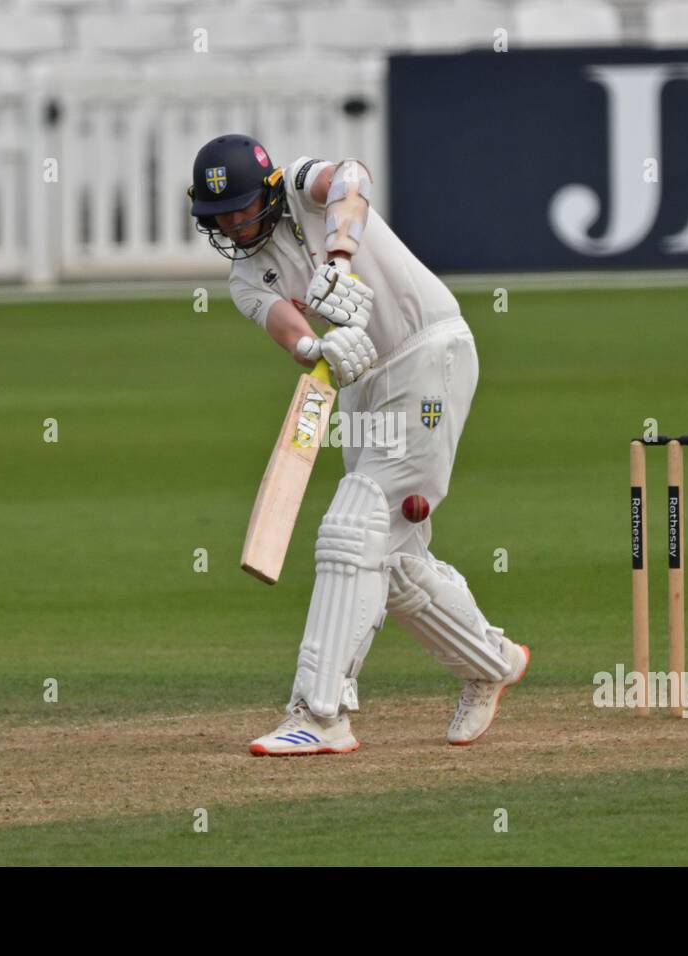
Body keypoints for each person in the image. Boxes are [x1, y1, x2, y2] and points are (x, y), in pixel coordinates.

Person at [187, 134, 529, 755]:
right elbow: (290, 330)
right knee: (390, 560)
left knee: (353, 524)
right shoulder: (245, 278)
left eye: (241, 210)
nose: (235, 227)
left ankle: (319, 714)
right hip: (363, 380)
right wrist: (317, 349)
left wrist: (339, 257)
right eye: (220, 219)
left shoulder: (301, 188)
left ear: (266, 193)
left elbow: (352, 175)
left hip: (430, 353)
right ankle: (491, 660)